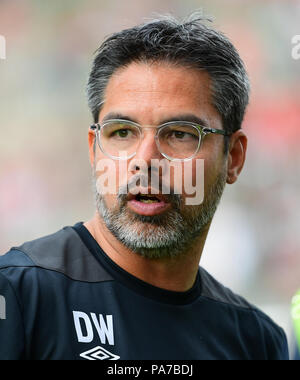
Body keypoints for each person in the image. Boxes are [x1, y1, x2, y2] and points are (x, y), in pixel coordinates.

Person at [0, 13, 289, 360]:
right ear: (94, 150)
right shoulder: (17, 295)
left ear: (234, 157)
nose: (145, 159)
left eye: (181, 133)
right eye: (122, 132)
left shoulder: (255, 341)